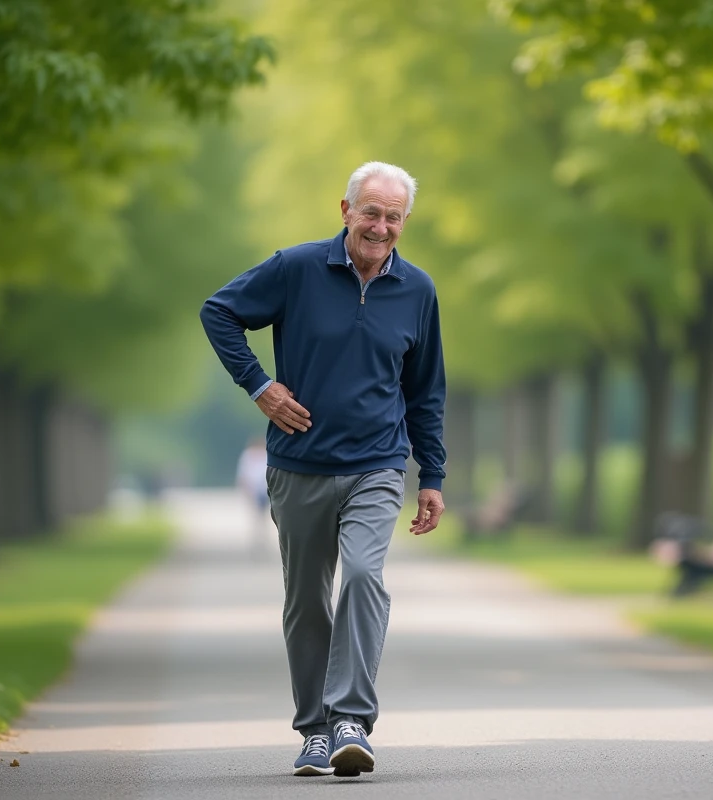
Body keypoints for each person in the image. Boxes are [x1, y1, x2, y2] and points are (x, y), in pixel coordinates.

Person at [200, 161, 446, 779]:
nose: (381, 226)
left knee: (363, 575)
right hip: (299, 464)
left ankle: (351, 720)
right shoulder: (296, 268)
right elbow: (219, 312)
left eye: (394, 217)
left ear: (404, 222)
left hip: (377, 464)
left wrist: (432, 476)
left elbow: (426, 391)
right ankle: (314, 731)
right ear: (346, 211)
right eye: (371, 212)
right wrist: (259, 385)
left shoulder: (418, 290)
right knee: (307, 600)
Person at [235, 437, 271, 552]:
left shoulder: (266, 455)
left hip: (264, 490)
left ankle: (262, 537)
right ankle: (258, 537)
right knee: (257, 514)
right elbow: (244, 474)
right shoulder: (248, 456)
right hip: (253, 490)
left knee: (263, 514)